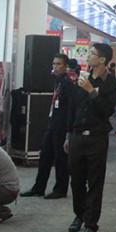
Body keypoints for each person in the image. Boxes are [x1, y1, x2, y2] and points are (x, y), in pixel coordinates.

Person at [64, 42, 116, 232]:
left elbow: (107, 111)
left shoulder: (112, 84)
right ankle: (79, 214)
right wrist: (69, 135)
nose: (88, 57)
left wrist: (91, 91)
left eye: (92, 54)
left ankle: (91, 224)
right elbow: (73, 109)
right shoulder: (80, 80)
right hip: (78, 136)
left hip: (97, 137)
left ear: (103, 60)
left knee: (95, 182)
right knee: (77, 180)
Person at [20, 53, 73, 198]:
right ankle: (39, 187)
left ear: (65, 66)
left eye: (58, 64)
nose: (55, 67)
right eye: (54, 63)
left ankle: (60, 189)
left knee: (60, 158)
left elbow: (69, 108)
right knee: (45, 157)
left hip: (61, 126)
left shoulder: (68, 84)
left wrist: (69, 130)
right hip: (52, 124)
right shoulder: (57, 82)